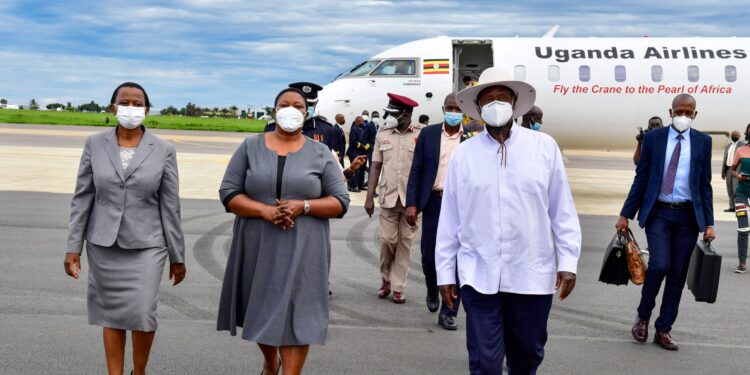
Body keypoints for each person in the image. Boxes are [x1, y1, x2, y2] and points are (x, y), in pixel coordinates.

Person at [436, 67, 581, 374]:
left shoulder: (543, 148)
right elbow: (450, 219)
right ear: (478, 109)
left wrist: (568, 262)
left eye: (502, 97)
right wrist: (445, 273)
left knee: (527, 357)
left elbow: (562, 210)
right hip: (478, 274)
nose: (496, 104)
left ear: (515, 104)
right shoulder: (465, 154)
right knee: (485, 363)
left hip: (531, 275)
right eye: (488, 99)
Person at [217, 87, 350, 375]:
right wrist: (265, 211)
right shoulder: (250, 147)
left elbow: (340, 201)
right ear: (275, 109)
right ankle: (269, 362)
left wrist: (303, 206)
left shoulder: (321, 152)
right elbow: (228, 193)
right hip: (258, 244)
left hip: (305, 246)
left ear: (307, 112)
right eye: (284, 104)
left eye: (298, 106)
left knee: (299, 312)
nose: (291, 110)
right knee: (262, 309)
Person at [64, 82, 186, 375]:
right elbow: (83, 196)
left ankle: (138, 371)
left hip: (148, 243)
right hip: (103, 243)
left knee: (143, 312)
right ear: (112, 108)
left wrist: (177, 255)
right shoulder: (94, 144)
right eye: (125, 102)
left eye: (137, 103)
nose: (131, 108)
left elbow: (170, 205)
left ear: (146, 109)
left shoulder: (164, 149)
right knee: (112, 314)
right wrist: (73, 247)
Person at [617, 94, 715, 351]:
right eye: (678, 111)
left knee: (677, 275)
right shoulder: (654, 138)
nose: (682, 116)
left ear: (695, 114)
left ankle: (664, 328)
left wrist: (709, 224)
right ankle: (643, 317)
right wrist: (625, 213)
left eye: (687, 112)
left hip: (687, 216)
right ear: (670, 112)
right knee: (659, 266)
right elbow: (641, 178)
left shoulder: (704, 142)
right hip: (659, 213)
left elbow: (705, 186)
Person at [405, 93, 469, 331]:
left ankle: (449, 310)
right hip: (433, 201)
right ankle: (433, 287)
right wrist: (412, 204)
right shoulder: (429, 134)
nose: (453, 112)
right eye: (449, 108)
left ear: (463, 111)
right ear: (443, 109)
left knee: (457, 260)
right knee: (430, 256)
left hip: (463, 206)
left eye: (457, 108)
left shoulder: (473, 138)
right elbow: (417, 169)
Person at [364, 93, 424, 304]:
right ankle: (385, 277)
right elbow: (376, 166)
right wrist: (369, 197)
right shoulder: (382, 134)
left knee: (405, 244)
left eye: (393, 114)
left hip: (412, 201)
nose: (388, 117)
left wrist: (420, 201)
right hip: (388, 197)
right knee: (387, 241)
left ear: (406, 114)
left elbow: (425, 169)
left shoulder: (421, 135)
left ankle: (397, 287)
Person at [263, 82, 337, 151]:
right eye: (297, 106)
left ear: (316, 104)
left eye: (310, 105)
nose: (306, 108)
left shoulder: (326, 130)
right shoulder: (272, 127)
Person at [730, 126, 750, 273]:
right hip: (741, 193)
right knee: (743, 228)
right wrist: (738, 177)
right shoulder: (740, 150)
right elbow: (733, 169)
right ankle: (742, 263)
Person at [723, 129, 746, 212]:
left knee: (736, 188)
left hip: (737, 169)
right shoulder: (728, 146)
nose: (734, 136)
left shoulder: (743, 145)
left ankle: (738, 207)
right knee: (729, 188)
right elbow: (725, 159)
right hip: (729, 169)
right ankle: (732, 206)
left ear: (739, 136)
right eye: (733, 135)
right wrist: (723, 172)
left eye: (736, 135)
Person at [346, 116, 369, 192]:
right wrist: (361, 145)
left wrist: (366, 145)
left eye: (363, 121)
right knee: (356, 170)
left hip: (361, 153)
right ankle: (352, 186)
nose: (362, 123)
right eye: (361, 121)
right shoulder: (354, 129)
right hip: (354, 152)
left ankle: (360, 185)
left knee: (362, 170)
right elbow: (353, 141)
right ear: (356, 121)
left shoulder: (362, 129)